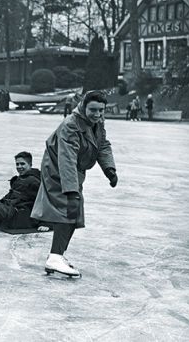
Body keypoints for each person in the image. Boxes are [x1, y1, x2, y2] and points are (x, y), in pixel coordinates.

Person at [31, 90, 117, 277]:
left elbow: (102, 144)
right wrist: (70, 190)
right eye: (93, 110)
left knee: (74, 212)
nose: (97, 114)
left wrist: (109, 169)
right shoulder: (71, 125)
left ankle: (57, 256)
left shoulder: (97, 122)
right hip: (57, 170)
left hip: (74, 171)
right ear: (83, 106)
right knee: (68, 209)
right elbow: (67, 158)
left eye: (101, 111)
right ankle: (54, 257)